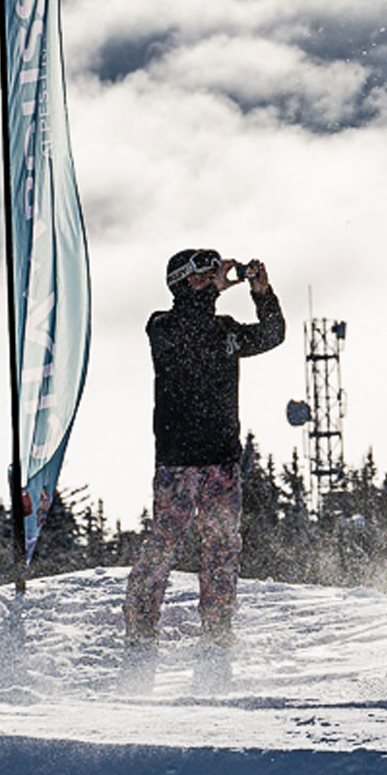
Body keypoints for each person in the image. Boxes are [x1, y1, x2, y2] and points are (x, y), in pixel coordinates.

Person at [123, 247, 285, 649]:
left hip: (222, 460)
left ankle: (217, 629)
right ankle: (141, 627)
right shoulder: (163, 326)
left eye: (212, 274)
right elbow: (189, 327)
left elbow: (272, 335)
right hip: (179, 460)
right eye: (201, 276)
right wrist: (214, 290)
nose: (211, 281)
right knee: (166, 543)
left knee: (222, 547)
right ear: (181, 283)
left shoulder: (225, 330)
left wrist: (262, 294)